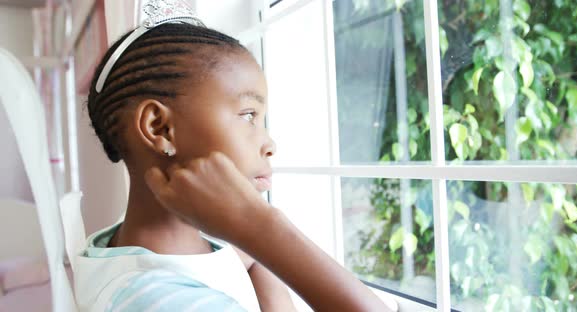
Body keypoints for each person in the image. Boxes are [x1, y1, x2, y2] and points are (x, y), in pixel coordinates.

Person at [76, 4, 390, 311]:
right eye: (248, 115)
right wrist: (261, 227)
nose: (269, 144)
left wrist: (253, 241)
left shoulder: (126, 245)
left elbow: (244, 262)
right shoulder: (163, 301)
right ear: (160, 128)